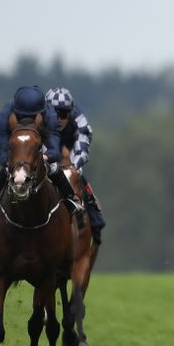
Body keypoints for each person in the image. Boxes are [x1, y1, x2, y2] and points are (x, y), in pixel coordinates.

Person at [0, 85, 84, 223]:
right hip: (15, 148)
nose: (27, 121)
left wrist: (45, 157)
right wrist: (10, 161)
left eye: (32, 117)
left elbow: (54, 149)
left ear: (40, 113)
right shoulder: (5, 116)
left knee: (53, 168)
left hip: (39, 148)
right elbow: (1, 145)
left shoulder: (50, 115)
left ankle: (70, 198)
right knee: (6, 170)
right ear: (15, 112)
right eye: (21, 117)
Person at [45, 87, 106, 243]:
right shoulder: (39, 121)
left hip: (69, 157)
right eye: (55, 113)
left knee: (79, 181)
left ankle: (95, 224)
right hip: (44, 158)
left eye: (64, 113)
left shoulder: (79, 121)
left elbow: (82, 149)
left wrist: (75, 166)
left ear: (70, 112)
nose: (59, 118)